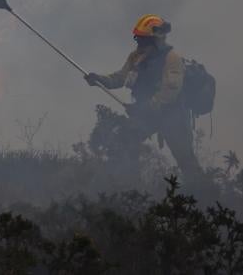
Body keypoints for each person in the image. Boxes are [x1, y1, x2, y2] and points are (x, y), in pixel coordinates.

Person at [84, 14, 203, 181]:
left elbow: (170, 92)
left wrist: (145, 107)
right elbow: (121, 77)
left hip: (172, 116)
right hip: (148, 115)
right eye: (138, 39)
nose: (139, 44)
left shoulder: (172, 59)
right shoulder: (136, 57)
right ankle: (132, 186)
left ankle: (204, 194)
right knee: (125, 141)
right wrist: (100, 80)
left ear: (157, 40)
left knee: (186, 161)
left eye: (144, 41)